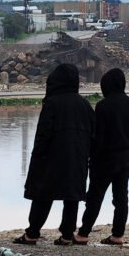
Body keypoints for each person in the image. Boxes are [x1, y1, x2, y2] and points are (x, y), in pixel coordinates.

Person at [15, 63, 95, 246]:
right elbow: (94, 133)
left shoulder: (52, 103)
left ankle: (32, 233)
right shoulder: (84, 105)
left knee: (43, 194)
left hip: (51, 158)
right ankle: (67, 235)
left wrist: (38, 156)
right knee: (71, 196)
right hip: (77, 158)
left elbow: (43, 134)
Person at [76, 68, 129, 245]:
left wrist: (92, 156)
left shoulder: (103, 106)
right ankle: (118, 235)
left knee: (95, 196)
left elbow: (98, 136)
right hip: (125, 158)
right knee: (121, 198)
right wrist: (127, 150)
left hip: (104, 159)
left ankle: (83, 233)